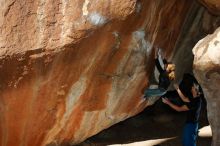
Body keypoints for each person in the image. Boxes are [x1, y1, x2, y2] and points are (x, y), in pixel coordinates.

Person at [162, 74, 202, 146]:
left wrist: (168, 102)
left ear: (195, 90)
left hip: (191, 125)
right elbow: (184, 98)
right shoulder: (195, 98)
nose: (191, 87)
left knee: (188, 143)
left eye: (193, 87)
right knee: (188, 142)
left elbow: (179, 109)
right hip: (192, 124)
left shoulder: (195, 102)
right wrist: (177, 89)